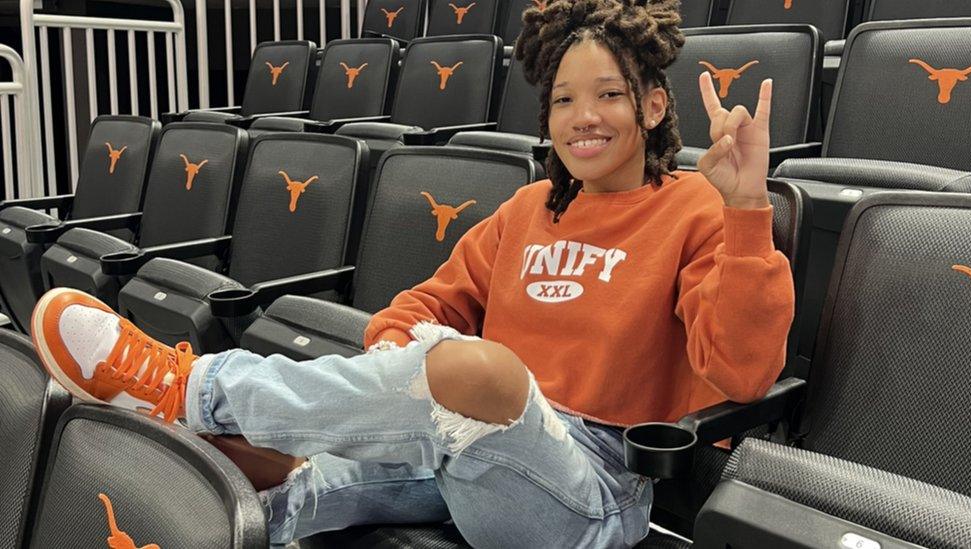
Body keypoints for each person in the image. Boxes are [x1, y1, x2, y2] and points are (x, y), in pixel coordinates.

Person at [29, 0, 794, 546]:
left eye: (608, 96)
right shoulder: (528, 209)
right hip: (470, 452)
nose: (582, 117)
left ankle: (192, 388)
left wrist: (746, 210)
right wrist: (409, 364)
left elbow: (743, 370)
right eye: (563, 98)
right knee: (305, 486)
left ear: (655, 106)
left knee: (482, 372)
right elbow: (422, 302)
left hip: (589, 496)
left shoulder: (698, 208)